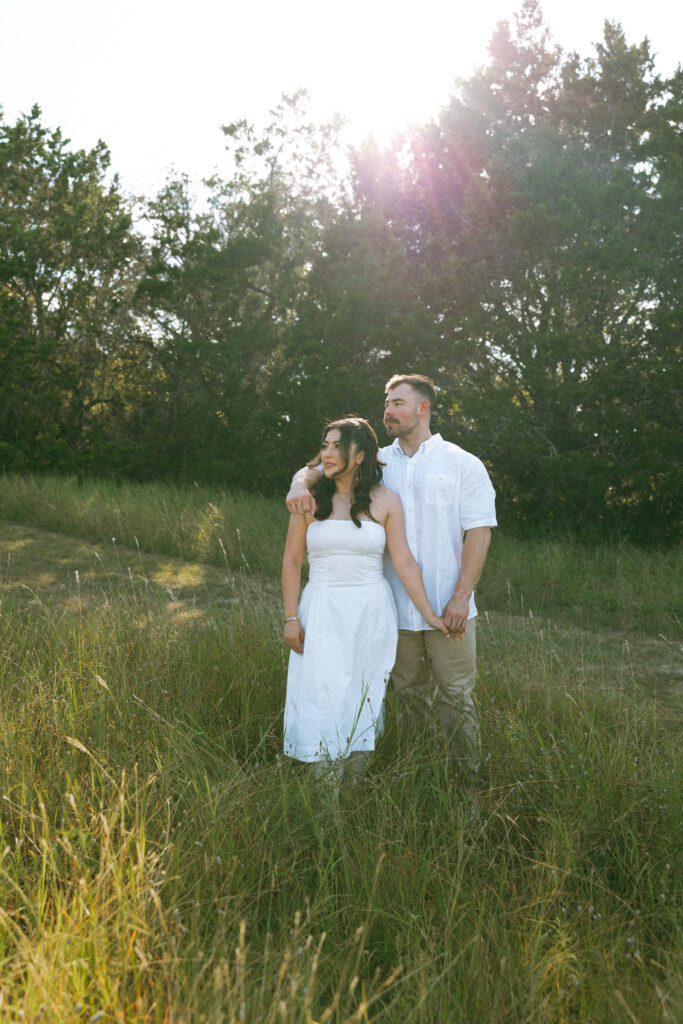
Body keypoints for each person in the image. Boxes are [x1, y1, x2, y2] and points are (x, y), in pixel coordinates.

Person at [286, 375, 496, 781]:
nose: (388, 411)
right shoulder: (374, 461)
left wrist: (460, 596)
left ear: (423, 408)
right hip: (392, 611)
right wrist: (299, 481)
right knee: (407, 699)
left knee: (456, 697)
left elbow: (480, 533)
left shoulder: (462, 463)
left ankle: (467, 787)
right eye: (386, 403)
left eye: (398, 403)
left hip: (447, 607)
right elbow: (318, 466)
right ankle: (418, 782)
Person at [282, 416, 447, 791]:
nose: (327, 453)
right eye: (324, 445)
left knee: (363, 696)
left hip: (370, 612)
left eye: (336, 446)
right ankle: (322, 794)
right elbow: (292, 562)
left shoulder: (385, 501)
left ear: (359, 456)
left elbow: (403, 562)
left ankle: (352, 789)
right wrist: (291, 617)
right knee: (321, 695)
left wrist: (430, 615)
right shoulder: (309, 500)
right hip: (321, 609)